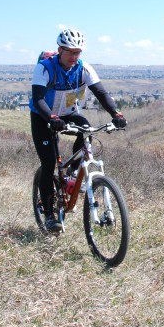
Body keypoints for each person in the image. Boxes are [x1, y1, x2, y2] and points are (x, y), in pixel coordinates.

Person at [29, 28, 127, 233]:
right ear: (60, 50)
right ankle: (49, 215)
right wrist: (52, 118)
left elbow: (101, 93)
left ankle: (73, 172)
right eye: (70, 52)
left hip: (68, 113)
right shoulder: (44, 68)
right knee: (48, 163)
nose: (74, 57)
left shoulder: (84, 69)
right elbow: (38, 99)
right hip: (43, 116)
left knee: (86, 130)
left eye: (78, 52)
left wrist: (116, 113)